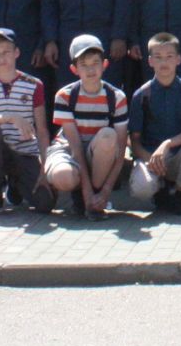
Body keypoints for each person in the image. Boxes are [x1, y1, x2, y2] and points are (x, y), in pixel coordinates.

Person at [42, 35, 129, 220]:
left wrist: (105, 192)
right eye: (84, 64)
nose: (90, 69)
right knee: (64, 177)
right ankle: (81, 198)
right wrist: (87, 191)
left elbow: (121, 151)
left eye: (95, 62)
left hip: (97, 153)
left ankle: (96, 202)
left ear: (104, 64)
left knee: (108, 136)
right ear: (74, 69)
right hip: (70, 151)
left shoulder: (117, 97)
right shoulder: (64, 96)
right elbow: (75, 148)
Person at [0, 28, 51, 217]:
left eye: (6, 51)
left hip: (25, 152)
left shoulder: (34, 84)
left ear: (17, 53)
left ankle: (16, 184)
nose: (1, 58)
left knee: (45, 204)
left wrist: (44, 169)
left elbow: (41, 130)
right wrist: (9, 117)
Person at [127, 32, 181, 213]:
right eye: (158, 57)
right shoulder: (141, 95)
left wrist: (168, 144)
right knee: (141, 188)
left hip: (178, 155)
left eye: (169, 57)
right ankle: (160, 192)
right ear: (150, 61)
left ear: (178, 59)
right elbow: (134, 141)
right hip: (151, 158)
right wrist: (152, 160)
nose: (164, 62)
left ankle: (177, 192)